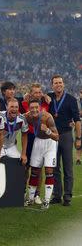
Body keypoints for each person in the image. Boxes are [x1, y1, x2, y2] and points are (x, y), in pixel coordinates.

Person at [47, 75, 81, 206]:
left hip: (66, 135)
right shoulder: (49, 98)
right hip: (52, 137)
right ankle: (57, 195)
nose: (58, 85)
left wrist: (78, 138)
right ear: (52, 85)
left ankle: (67, 197)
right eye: (55, 83)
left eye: (60, 82)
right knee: (55, 167)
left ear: (63, 84)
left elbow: (77, 120)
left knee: (68, 168)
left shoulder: (71, 99)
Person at [24, 99, 59, 209]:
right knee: (34, 170)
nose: (34, 110)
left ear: (40, 108)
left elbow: (57, 137)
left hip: (50, 143)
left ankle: (46, 201)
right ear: (29, 109)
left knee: (49, 170)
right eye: (32, 108)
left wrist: (48, 130)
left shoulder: (47, 117)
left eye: (36, 107)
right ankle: (30, 199)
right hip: (38, 141)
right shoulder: (27, 116)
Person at [21, 83, 50, 205]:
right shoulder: (23, 104)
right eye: (35, 92)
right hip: (29, 136)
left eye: (40, 92)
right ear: (30, 94)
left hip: (41, 138)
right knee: (25, 166)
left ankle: (37, 194)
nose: (38, 94)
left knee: (38, 167)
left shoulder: (46, 103)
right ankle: (22, 193)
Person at [0, 98, 28, 163]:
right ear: (7, 107)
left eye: (16, 107)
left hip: (11, 146)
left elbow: (24, 136)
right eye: (11, 107)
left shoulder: (22, 119)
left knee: (19, 161)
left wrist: (23, 154)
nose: (14, 109)